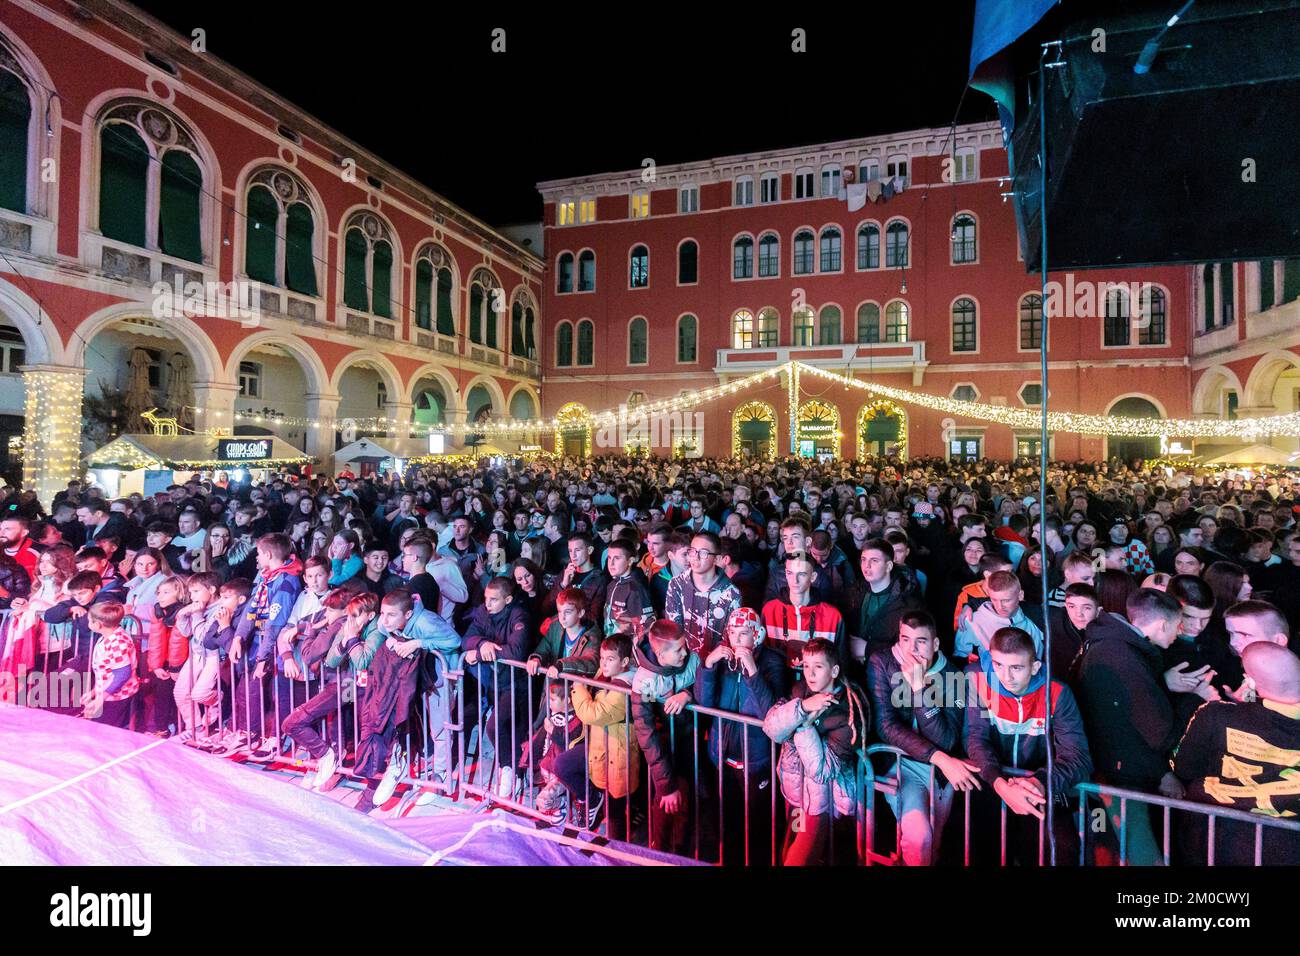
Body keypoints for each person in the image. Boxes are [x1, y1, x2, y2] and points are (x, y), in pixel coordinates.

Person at [1076, 588, 1194, 866]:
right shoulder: (1124, 657)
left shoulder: (1110, 643)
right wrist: (1195, 698)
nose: (1178, 634)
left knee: (1111, 850)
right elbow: (1160, 734)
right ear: (1163, 624)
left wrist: (1161, 683)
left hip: (1111, 770)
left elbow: (1120, 704)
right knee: (1138, 855)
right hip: (1122, 777)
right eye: (1178, 626)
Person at [964, 626, 1093, 865]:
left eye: (1016, 667)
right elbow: (975, 738)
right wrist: (1000, 783)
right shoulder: (979, 680)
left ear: (1034, 667)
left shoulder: (1057, 692)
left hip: (1042, 789)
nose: (1006, 676)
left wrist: (1037, 783)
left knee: (1056, 849)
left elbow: (1078, 757)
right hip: (994, 783)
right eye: (998, 665)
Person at [1172, 641, 1300, 865]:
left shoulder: (1215, 714)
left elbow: (1184, 767)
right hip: (1288, 846)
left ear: (1249, 681)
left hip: (1217, 839)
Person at [867, 609, 978, 866]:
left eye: (921, 641)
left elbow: (948, 738)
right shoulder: (882, 662)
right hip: (904, 763)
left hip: (941, 772)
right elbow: (886, 726)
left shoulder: (953, 674)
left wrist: (919, 688)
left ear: (935, 644)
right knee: (920, 836)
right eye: (905, 639)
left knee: (933, 846)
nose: (911, 649)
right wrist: (940, 758)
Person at [763, 637, 868, 866]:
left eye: (818, 667)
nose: (810, 674)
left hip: (827, 805)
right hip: (797, 794)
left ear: (834, 670)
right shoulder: (800, 691)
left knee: (805, 858)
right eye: (807, 666)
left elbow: (822, 771)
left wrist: (806, 726)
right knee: (787, 853)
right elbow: (771, 728)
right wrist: (802, 708)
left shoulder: (846, 711)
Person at [695, 607, 787, 865]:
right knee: (726, 817)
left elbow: (769, 714)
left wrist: (752, 671)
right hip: (722, 754)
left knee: (758, 821)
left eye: (743, 633)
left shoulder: (772, 662)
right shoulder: (722, 659)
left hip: (756, 758)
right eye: (732, 632)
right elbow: (704, 703)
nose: (736, 639)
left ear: (757, 635)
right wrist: (708, 666)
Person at [629, 620, 700, 855]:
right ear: (660, 653)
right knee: (666, 799)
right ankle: (658, 851)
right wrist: (666, 785)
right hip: (663, 746)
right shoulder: (646, 681)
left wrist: (687, 695)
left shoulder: (692, 661)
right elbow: (647, 731)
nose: (685, 652)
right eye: (679, 649)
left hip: (691, 739)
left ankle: (682, 850)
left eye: (685, 646)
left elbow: (706, 689)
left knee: (691, 796)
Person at [570, 633, 643, 841]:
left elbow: (593, 713)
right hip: (604, 751)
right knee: (613, 806)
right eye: (602, 658)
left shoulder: (623, 688)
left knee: (617, 811)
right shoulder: (606, 675)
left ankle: (616, 849)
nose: (603, 664)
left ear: (625, 662)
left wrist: (578, 687)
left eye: (610, 659)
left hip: (619, 757)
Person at [760, 555, 845, 691]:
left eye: (802, 574)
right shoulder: (769, 611)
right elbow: (762, 658)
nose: (795, 580)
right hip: (775, 692)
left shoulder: (833, 616)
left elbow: (841, 664)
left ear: (813, 577)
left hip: (817, 696)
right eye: (790, 573)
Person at [663, 531, 741, 656]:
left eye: (703, 553)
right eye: (692, 551)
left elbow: (729, 638)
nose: (695, 557)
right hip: (683, 659)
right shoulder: (677, 584)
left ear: (716, 559)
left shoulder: (731, 594)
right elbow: (673, 628)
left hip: (716, 664)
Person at [955, 570, 1045, 665]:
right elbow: (961, 660)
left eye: (1006, 600)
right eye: (994, 599)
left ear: (1020, 595)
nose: (1000, 606)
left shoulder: (1036, 615)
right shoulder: (971, 621)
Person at [81, 601, 140, 728]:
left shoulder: (117, 643)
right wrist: (94, 692)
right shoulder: (108, 637)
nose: (88, 623)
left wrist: (101, 698)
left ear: (98, 625)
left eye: (90, 621)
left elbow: (122, 674)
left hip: (117, 695)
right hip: (109, 693)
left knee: (105, 730)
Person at [601, 538, 655, 637]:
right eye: (609, 558)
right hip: (611, 645)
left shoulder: (635, 589)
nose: (611, 563)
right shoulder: (612, 584)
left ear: (630, 561)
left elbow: (645, 628)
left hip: (626, 648)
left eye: (617, 558)